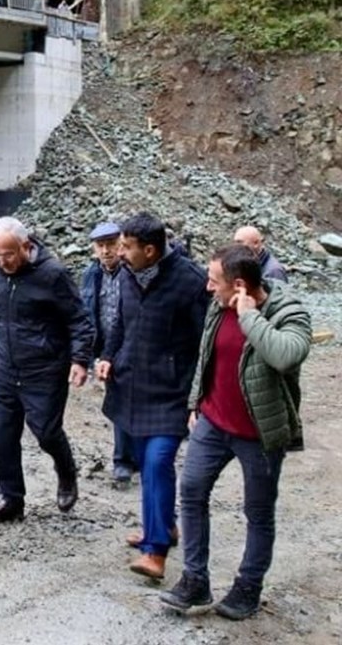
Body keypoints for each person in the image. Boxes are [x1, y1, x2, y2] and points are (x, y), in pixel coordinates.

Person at [160, 244, 311, 620]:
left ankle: (248, 586)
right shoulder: (219, 304)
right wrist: (197, 402)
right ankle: (195, 581)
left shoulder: (288, 312)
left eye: (215, 282)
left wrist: (250, 318)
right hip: (212, 422)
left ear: (240, 285)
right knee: (191, 493)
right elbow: (206, 353)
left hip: (259, 433)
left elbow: (286, 355)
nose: (209, 288)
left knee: (258, 512)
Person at [95, 213, 209, 581]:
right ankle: (164, 526)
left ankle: (155, 552)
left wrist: (197, 395)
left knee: (159, 460)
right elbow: (121, 324)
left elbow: (204, 345)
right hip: (131, 385)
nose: (120, 253)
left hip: (172, 391)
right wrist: (109, 357)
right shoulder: (128, 275)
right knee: (147, 462)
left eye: (126, 246)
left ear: (150, 249)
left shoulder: (190, 283)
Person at [0, 217, 93, 524]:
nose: (1, 261)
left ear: (26, 246)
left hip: (45, 368)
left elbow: (79, 320)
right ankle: (10, 498)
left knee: (46, 432)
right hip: (7, 366)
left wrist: (79, 359)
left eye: (8, 254)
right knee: (4, 434)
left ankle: (66, 471)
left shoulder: (53, 275)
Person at [80, 222, 136, 484]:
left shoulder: (134, 273)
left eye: (111, 245)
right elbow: (84, 312)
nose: (106, 251)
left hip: (135, 344)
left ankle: (134, 457)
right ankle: (123, 459)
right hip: (107, 349)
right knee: (118, 398)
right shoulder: (92, 275)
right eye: (100, 246)